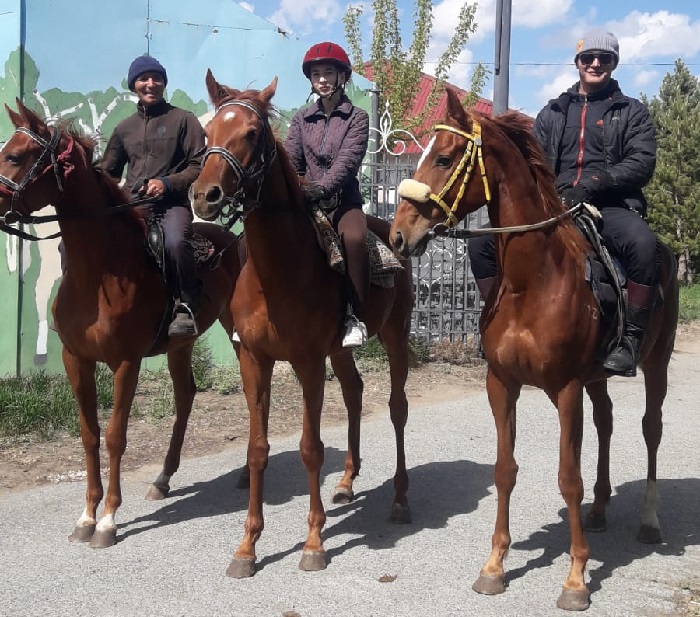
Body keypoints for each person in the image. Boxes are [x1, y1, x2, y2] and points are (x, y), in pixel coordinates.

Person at [467, 28, 659, 377]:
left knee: (643, 245)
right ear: (577, 63)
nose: (595, 63)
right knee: (481, 244)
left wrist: (592, 184)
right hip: (554, 207)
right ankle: (495, 320)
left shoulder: (632, 112)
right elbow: (528, 162)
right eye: (588, 58)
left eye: (604, 58)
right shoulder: (552, 112)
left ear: (614, 64)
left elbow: (641, 162)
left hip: (611, 206)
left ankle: (630, 338)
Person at [102, 55, 206, 337]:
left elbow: (199, 165)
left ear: (164, 83)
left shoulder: (184, 119)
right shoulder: (124, 128)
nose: (151, 84)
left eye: (156, 78)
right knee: (76, 243)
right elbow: (107, 172)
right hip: (132, 207)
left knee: (174, 242)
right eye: (143, 78)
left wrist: (167, 183)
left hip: (171, 205)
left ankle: (186, 303)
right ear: (133, 84)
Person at [284, 42, 371, 348]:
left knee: (355, 241)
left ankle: (354, 318)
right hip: (305, 203)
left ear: (342, 76)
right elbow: (291, 161)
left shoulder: (357, 118)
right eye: (316, 74)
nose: (322, 79)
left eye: (328, 73)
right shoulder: (300, 119)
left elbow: (348, 162)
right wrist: (295, 187)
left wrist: (319, 188)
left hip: (342, 203)